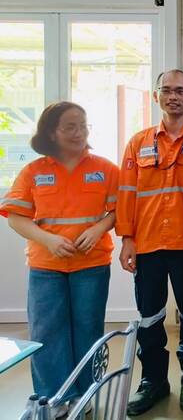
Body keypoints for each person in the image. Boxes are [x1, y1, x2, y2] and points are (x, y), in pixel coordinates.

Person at [0, 102, 117, 417]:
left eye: (83, 125)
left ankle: (85, 394)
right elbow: (15, 217)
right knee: (47, 332)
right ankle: (54, 398)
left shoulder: (104, 169)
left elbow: (120, 210)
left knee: (88, 330)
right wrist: (48, 239)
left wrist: (97, 229)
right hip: (46, 266)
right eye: (70, 127)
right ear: (51, 132)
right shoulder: (34, 171)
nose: (79, 133)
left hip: (91, 265)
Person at [117, 69, 183, 415]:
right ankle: (153, 380)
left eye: (180, 91)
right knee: (150, 318)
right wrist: (126, 239)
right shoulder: (138, 142)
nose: (173, 96)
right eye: (166, 90)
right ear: (156, 96)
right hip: (148, 245)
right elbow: (126, 193)